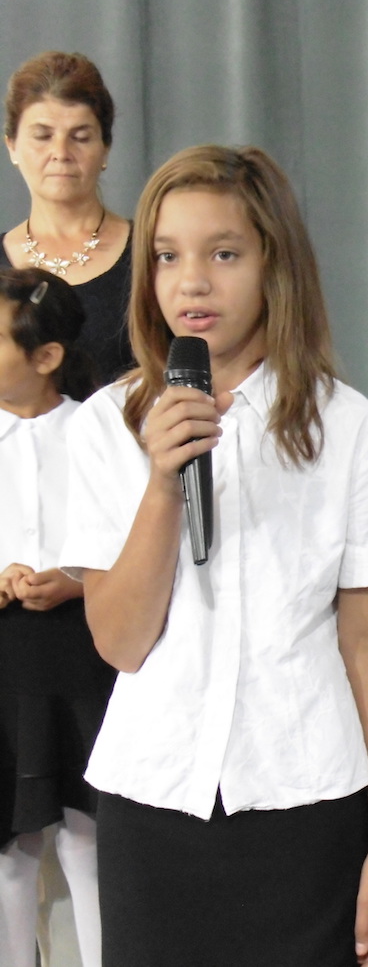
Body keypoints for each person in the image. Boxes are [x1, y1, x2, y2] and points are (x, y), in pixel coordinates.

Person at [58, 145, 368, 967]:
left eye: (223, 254)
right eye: (166, 256)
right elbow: (119, 641)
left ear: (274, 264)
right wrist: (161, 485)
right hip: (155, 802)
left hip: (307, 802)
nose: (192, 282)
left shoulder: (350, 429)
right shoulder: (106, 426)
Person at [0, 268, 109, 967]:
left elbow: (129, 540)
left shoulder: (98, 431)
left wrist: (75, 581)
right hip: (5, 658)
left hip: (81, 652)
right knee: (10, 848)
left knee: (86, 834)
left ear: (46, 357)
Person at [4, 51, 132, 386]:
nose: (61, 153)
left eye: (80, 137)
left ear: (105, 147)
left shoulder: (153, 252)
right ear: (12, 146)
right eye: (43, 136)